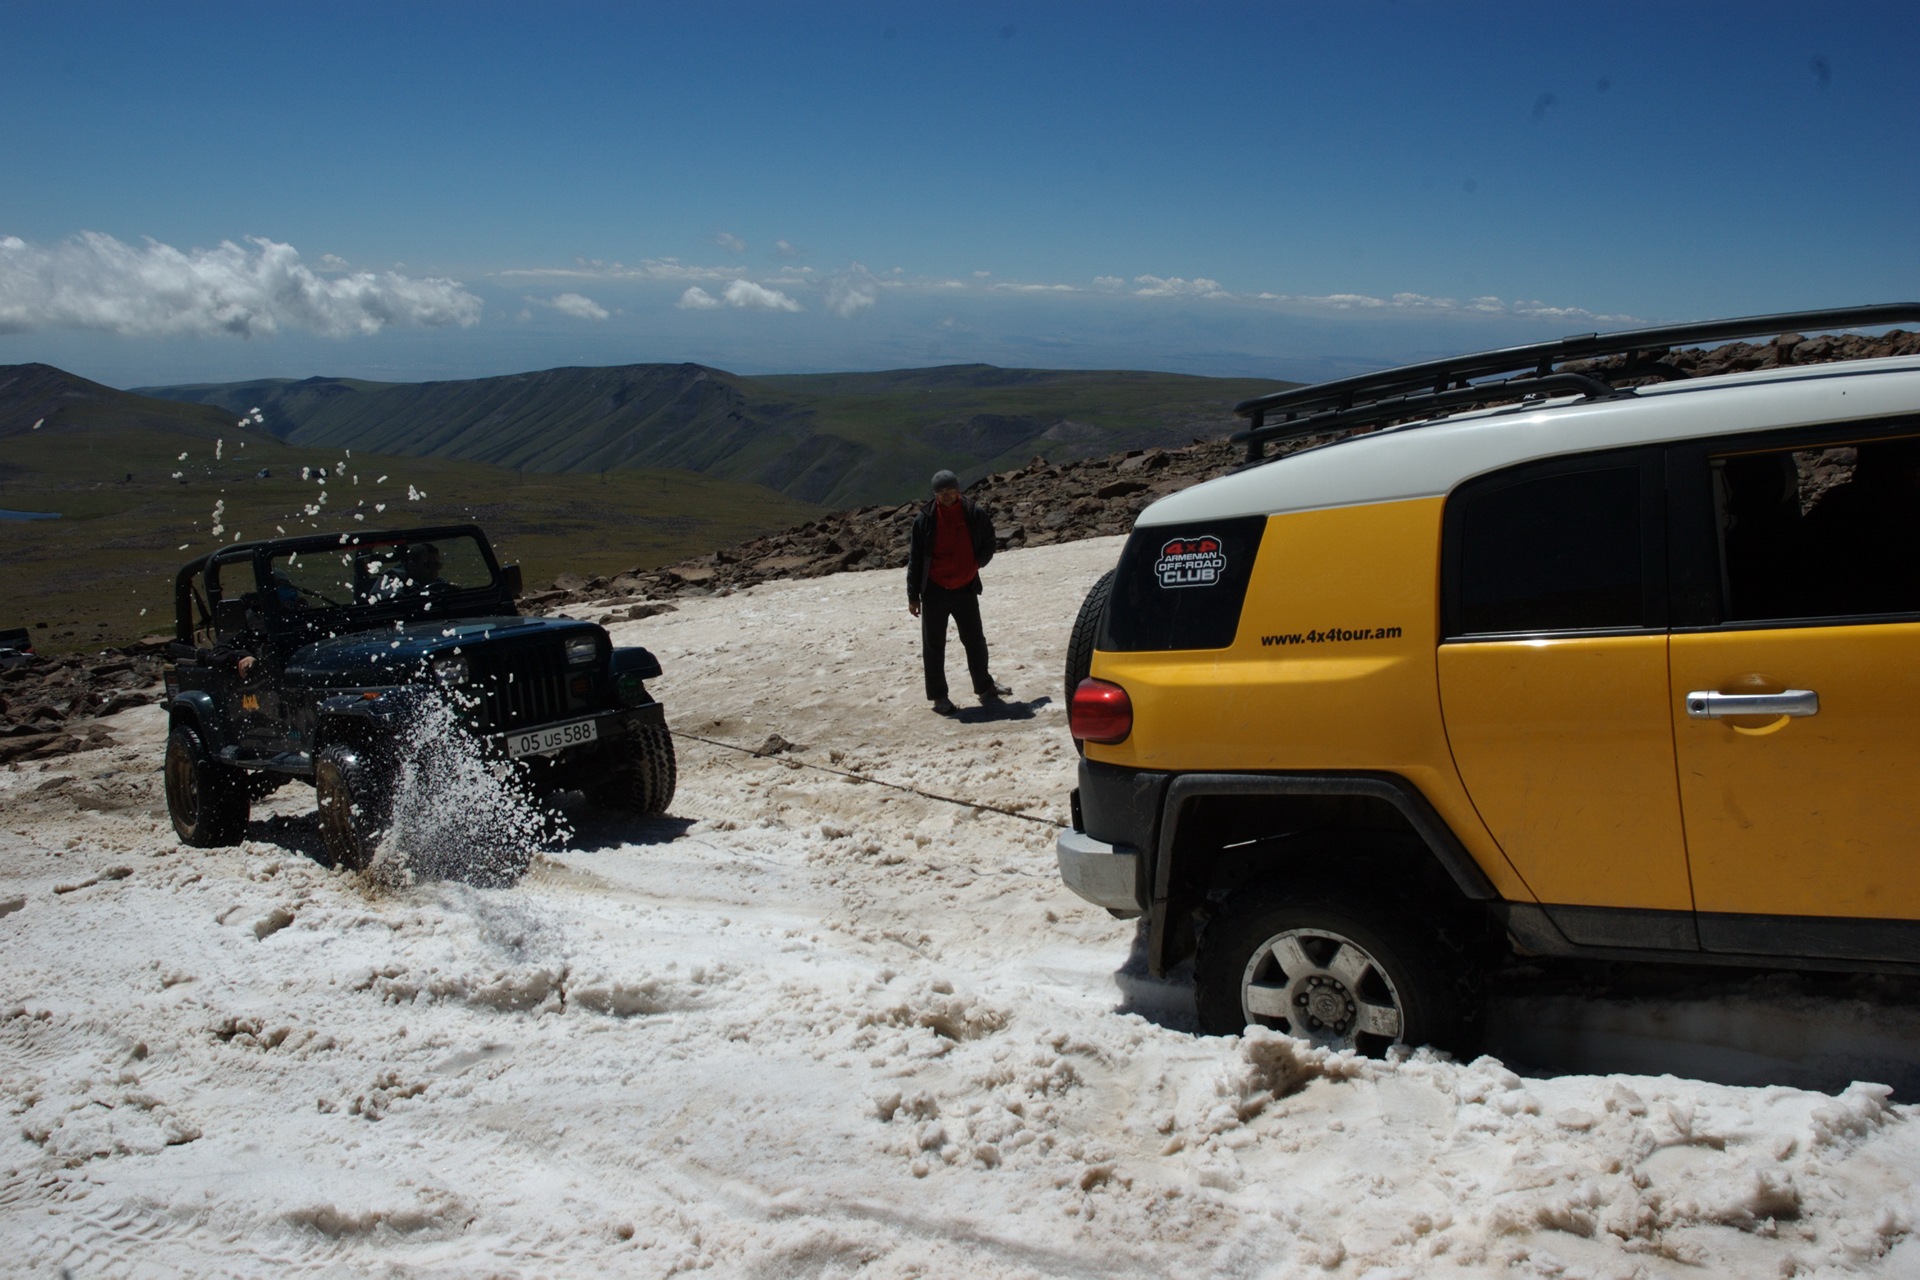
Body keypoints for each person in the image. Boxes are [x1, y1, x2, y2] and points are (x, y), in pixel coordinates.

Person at [907, 469, 1011, 715]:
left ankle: (985, 688)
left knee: (975, 641)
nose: (946, 496)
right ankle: (939, 697)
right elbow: (916, 560)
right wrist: (913, 596)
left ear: (958, 490)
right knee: (933, 646)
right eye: (941, 492)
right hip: (934, 590)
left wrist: (976, 564)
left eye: (950, 490)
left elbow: (989, 540)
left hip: (965, 588)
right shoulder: (925, 519)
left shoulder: (973, 513)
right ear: (935, 494)